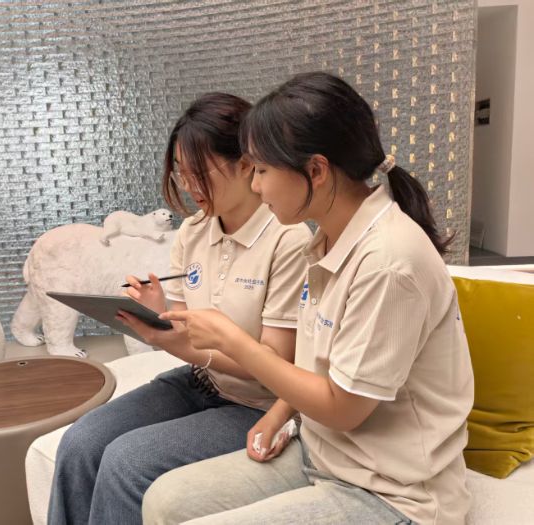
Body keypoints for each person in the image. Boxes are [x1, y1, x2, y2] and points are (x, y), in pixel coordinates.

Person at [146, 72, 475, 525]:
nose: (256, 187)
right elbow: (319, 366)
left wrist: (230, 340)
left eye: (262, 171)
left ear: (316, 171)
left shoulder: (388, 263)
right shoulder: (326, 243)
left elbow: (343, 408)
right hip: (323, 456)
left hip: (393, 494)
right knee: (165, 501)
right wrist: (280, 414)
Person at [47, 92, 312, 525]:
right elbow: (186, 325)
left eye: (198, 173)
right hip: (199, 382)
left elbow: (275, 365)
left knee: (127, 462)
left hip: (256, 404)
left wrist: (181, 346)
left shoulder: (288, 239)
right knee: (81, 443)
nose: (188, 186)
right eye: (181, 173)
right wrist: (158, 311)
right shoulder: (193, 231)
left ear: (247, 164)